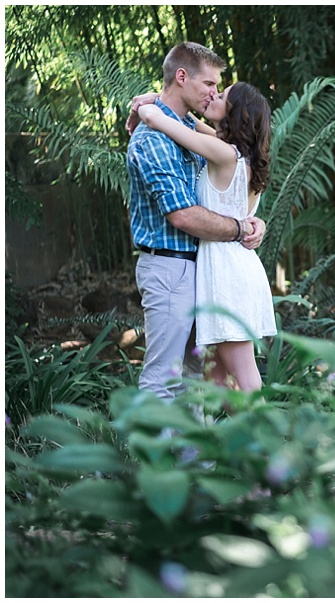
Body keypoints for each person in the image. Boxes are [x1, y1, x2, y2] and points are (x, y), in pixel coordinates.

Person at [126, 42, 266, 401]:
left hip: (215, 269)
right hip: (181, 268)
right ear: (183, 77)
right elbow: (183, 214)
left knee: (214, 378)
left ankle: (257, 453)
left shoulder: (220, 149)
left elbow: (176, 122)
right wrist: (242, 227)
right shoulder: (189, 143)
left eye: (221, 92)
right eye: (210, 85)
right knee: (195, 379)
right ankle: (181, 457)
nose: (213, 93)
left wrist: (147, 108)